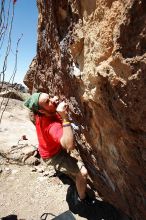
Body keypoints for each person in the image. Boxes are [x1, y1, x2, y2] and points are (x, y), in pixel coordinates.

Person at [24, 92, 95, 205]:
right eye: (48, 102)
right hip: (53, 156)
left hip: (49, 148)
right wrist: (64, 117)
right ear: (41, 111)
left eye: (50, 97)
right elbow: (69, 145)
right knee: (82, 173)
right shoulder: (51, 126)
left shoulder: (39, 113)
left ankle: (65, 173)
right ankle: (82, 199)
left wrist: (52, 100)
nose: (53, 100)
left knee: (69, 162)